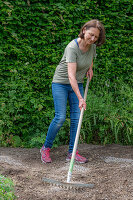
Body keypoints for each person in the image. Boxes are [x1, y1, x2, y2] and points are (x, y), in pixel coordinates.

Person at [40, 19, 105, 164]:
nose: (93, 39)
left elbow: (90, 59)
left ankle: (72, 152)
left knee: (77, 118)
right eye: (91, 35)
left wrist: (90, 68)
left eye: (96, 37)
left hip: (78, 83)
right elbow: (71, 76)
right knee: (60, 117)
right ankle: (45, 148)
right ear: (84, 30)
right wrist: (80, 98)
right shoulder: (72, 47)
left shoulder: (92, 47)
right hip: (61, 84)